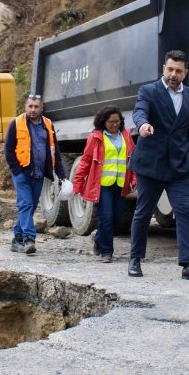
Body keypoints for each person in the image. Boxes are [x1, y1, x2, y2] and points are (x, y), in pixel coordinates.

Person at [127, 50, 189, 281]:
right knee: (143, 212)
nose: (173, 74)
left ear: (185, 72)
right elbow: (140, 112)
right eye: (170, 69)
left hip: (179, 167)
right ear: (164, 68)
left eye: (178, 71)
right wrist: (142, 126)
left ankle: (188, 265)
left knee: (184, 212)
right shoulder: (149, 91)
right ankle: (134, 259)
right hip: (151, 164)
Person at [72, 106, 136, 263]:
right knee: (106, 217)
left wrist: (134, 179)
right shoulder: (96, 137)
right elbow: (86, 161)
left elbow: (133, 159)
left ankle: (97, 236)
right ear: (103, 122)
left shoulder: (126, 135)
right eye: (111, 122)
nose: (114, 124)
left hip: (120, 184)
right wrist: (77, 183)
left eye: (117, 121)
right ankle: (107, 252)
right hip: (102, 186)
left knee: (116, 217)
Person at [4, 95, 67, 255]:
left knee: (30, 208)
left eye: (36, 107)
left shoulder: (47, 124)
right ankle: (29, 239)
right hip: (22, 173)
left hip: (39, 174)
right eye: (30, 106)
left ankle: (16, 240)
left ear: (41, 108)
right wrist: (17, 170)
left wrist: (61, 175)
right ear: (25, 107)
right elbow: (8, 149)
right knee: (25, 205)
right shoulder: (16, 123)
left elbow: (55, 151)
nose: (33, 110)